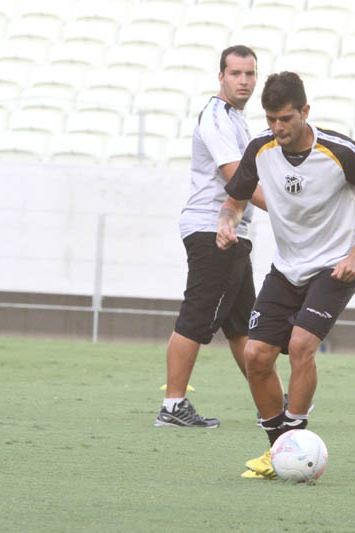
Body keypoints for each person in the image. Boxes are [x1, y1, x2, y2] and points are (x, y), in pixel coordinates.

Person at [217, 71, 355, 477]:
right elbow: (235, 199)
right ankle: (280, 450)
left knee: (299, 347)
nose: (278, 128)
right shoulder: (260, 148)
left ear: (305, 112)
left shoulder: (341, 151)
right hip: (285, 268)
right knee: (256, 356)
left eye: (286, 119)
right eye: (272, 119)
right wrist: (227, 221)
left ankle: (296, 436)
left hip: (333, 269)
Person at [154, 45, 267, 428]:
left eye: (250, 74)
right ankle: (172, 406)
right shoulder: (217, 117)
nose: (244, 81)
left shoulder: (236, 119)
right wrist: (289, 209)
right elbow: (236, 177)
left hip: (233, 231)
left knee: (242, 324)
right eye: (236, 73)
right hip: (212, 230)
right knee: (198, 314)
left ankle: (269, 403)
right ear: (221, 77)